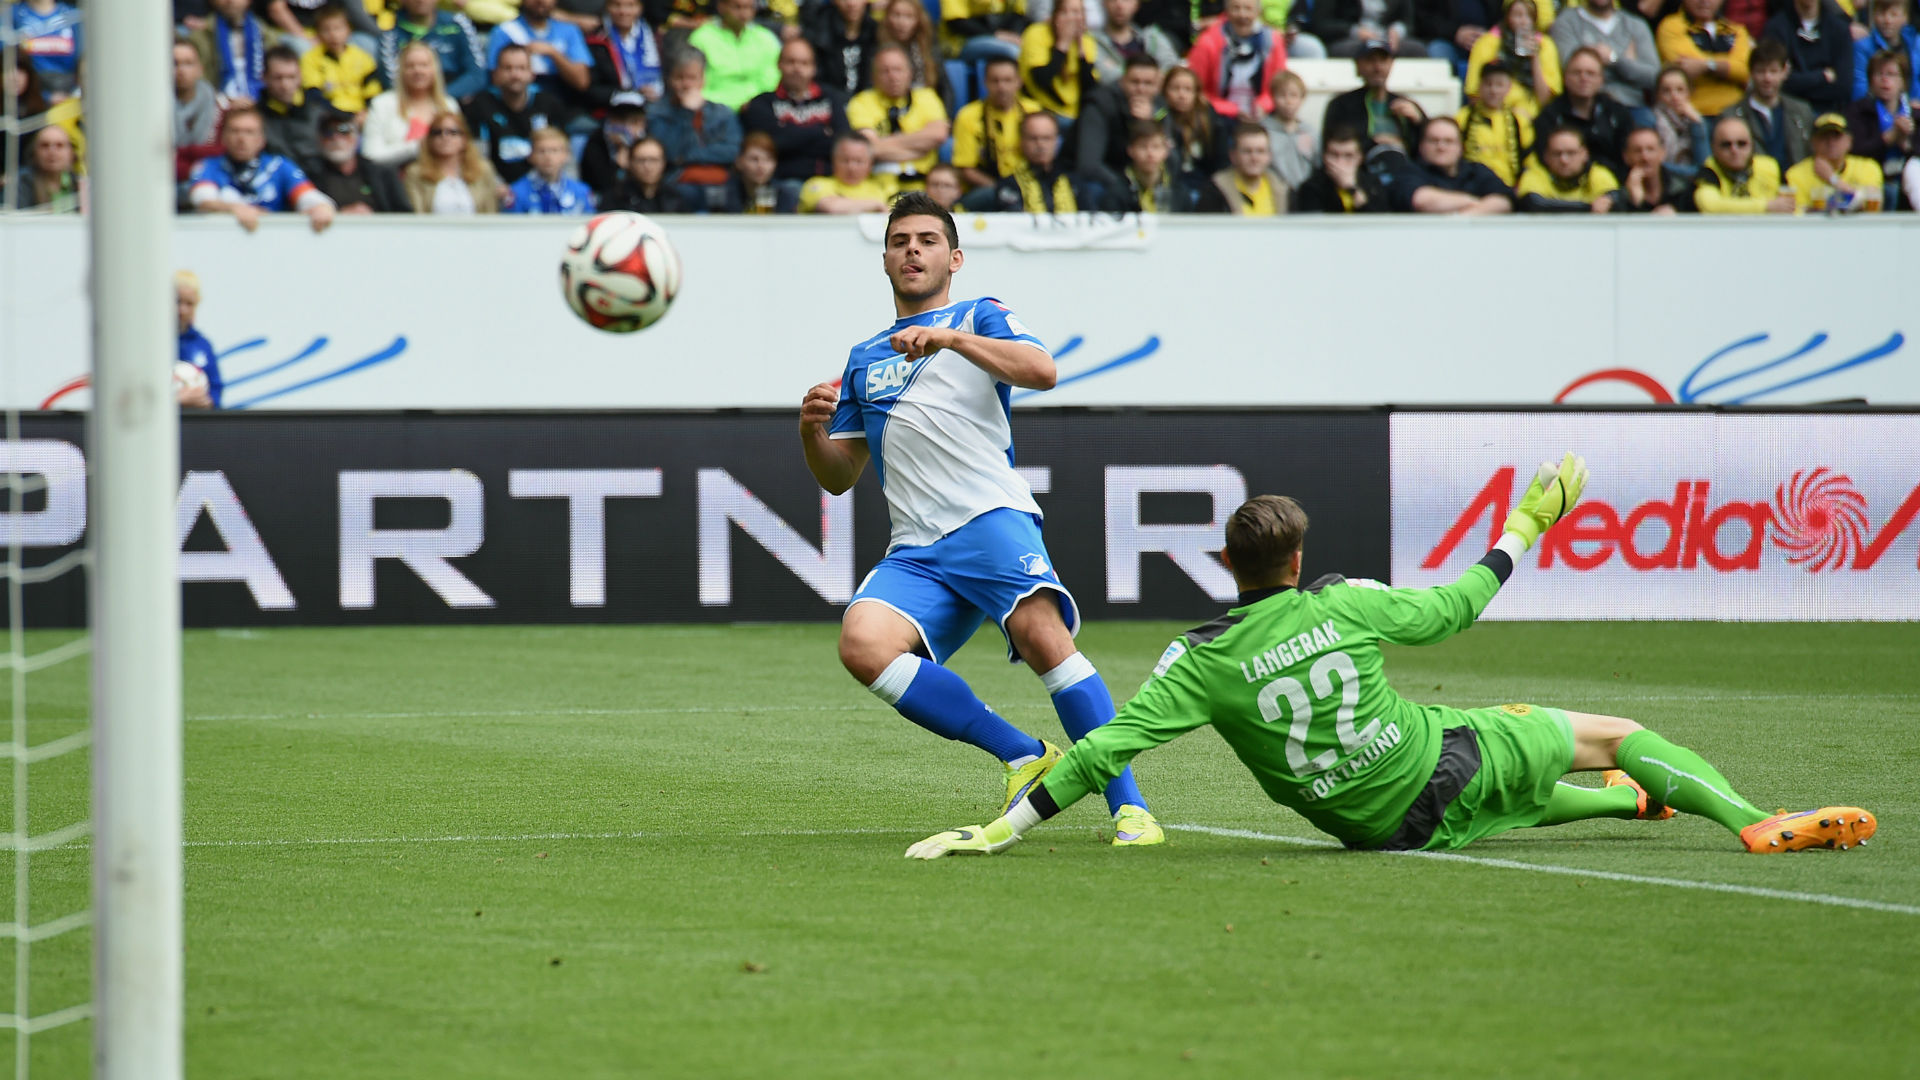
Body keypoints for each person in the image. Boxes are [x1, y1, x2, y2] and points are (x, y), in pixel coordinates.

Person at [905, 479, 1880, 860]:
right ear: (1293, 563)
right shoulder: (1342, 601)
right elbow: (1455, 607)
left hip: (1367, 828)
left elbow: (1099, 748)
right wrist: (1521, 531)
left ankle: (1633, 806)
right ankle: (1751, 818)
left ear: (1231, 571)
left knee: (1508, 776)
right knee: (1607, 735)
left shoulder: (1199, 666)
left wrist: (999, 831)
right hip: (1431, 766)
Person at [799, 192, 1165, 848]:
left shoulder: (981, 314)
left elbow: (1043, 371)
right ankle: (1026, 754)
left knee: (1045, 642)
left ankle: (1130, 810)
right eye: (901, 241)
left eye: (928, 240)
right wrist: (808, 431)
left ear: (954, 257)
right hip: (915, 549)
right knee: (863, 646)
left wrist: (951, 337)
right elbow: (839, 476)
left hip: (989, 518)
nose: (913, 249)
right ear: (884, 260)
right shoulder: (863, 357)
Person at [189, 104, 338, 231]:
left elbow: (309, 196)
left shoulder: (279, 166)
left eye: (249, 132)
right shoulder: (208, 165)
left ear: (261, 139)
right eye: (235, 131)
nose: (241, 139)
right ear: (223, 137)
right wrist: (234, 209)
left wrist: (322, 207)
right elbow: (203, 200)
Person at [740, 38, 850, 189]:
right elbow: (771, 144)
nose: (797, 68)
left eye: (804, 63)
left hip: (829, 181)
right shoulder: (762, 103)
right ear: (779, 64)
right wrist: (821, 132)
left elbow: (843, 143)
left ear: (814, 68)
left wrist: (789, 135)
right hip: (782, 182)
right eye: (791, 62)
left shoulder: (831, 99)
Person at [465, 43, 573, 185]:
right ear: (496, 74)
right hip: (497, 188)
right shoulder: (480, 105)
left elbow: (564, 153)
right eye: (507, 68)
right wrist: (496, 186)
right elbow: (478, 158)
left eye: (521, 68)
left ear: (532, 74)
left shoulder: (549, 104)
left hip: (543, 186)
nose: (515, 75)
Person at [847, 45, 950, 190]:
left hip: (924, 187)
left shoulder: (927, 97)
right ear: (873, 76)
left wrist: (884, 144)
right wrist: (921, 148)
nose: (892, 76)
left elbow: (938, 135)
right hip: (876, 187)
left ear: (910, 73)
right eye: (885, 71)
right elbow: (868, 149)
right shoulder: (861, 102)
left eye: (898, 70)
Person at [651, 50, 744, 208]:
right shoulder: (657, 113)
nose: (686, 84)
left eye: (692, 78)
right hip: (678, 182)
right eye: (680, 78)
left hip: (721, 181)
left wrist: (691, 154)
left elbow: (732, 151)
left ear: (702, 81)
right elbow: (671, 154)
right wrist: (687, 115)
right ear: (670, 80)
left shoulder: (723, 113)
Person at [1532, 46, 1634, 175]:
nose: (1584, 78)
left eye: (1590, 73)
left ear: (1601, 80)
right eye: (1576, 72)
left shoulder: (1618, 113)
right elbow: (1544, 159)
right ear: (1565, 78)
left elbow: (1628, 156)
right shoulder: (1549, 116)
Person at [1381, 114, 1514, 210]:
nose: (1441, 147)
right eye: (1434, 140)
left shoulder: (1477, 171)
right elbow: (1422, 201)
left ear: (1461, 147)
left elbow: (1504, 201)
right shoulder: (1408, 172)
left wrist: (1464, 220)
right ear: (1421, 146)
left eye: (1448, 141)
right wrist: (1474, 202)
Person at [952, 56, 1039, 196]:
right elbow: (966, 169)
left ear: (1019, 82)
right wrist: (1001, 189)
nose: (1001, 87)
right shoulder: (968, 116)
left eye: (1007, 80)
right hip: (989, 188)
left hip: (1031, 185)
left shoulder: (1034, 112)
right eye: (995, 81)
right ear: (985, 82)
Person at [364, 40, 461, 167]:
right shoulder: (382, 104)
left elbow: (460, 150)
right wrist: (417, 146)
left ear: (434, 69)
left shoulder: (449, 105)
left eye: (424, 65)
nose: (418, 71)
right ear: (401, 71)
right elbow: (370, 155)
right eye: (410, 66)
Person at [1548, 0, 1660, 109]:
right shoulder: (1566, 22)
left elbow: (1654, 78)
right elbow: (1571, 70)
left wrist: (1615, 59)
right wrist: (1630, 64)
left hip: (1631, 106)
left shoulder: (1636, 25)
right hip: (1585, 107)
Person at [1191, 0, 1291, 121]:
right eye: (1236, 8)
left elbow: (1280, 85)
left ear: (1258, 12)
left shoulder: (1273, 41)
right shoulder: (1207, 42)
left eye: (1248, 8)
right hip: (1218, 115)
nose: (1242, 14)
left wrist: (1264, 105)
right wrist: (1229, 109)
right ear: (1226, 11)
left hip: (1262, 114)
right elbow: (1196, 89)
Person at [1722, 39, 1815, 169]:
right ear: (1751, 73)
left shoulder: (1802, 110)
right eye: (1760, 71)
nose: (1767, 78)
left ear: (1784, 72)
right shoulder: (1732, 114)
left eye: (1773, 71)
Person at [1322, 38, 1427, 152]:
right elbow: (1332, 146)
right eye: (1370, 60)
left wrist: (1419, 122)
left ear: (1391, 64)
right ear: (1358, 66)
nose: (1378, 67)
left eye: (1383, 60)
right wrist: (1377, 143)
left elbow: (1428, 145)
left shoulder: (1407, 104)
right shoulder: (1341, 105)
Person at [377, 0, 488, 103]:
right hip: (410, 103)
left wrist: (441, 98)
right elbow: (392, 81)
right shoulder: (391, 32)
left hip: (455, 97)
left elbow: (477, 75)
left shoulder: (457, 23)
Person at [1076, 53, 1162, 184]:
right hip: (1100, 181)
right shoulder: (1099, 105)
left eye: (1148, 83)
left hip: (1135, 182)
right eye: (1135, 82)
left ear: (1157, 86)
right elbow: (1088, 165)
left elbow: (1172, 159)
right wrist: (1125, 188)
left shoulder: (1160, 107)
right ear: (1122, 80)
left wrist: (1149, 124)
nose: (1141, 89)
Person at [1656, 0, 1753, 117]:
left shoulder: (1736, 30)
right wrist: (1728, 66)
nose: (1704, 1)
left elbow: (1745, 70)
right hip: (1693, 113)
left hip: (1735, 112)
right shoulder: (1671, 26)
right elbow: (1685, 67)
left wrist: (1707, 65)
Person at [1466, 0, 1560, 118]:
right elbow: (1473, 94)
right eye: (1518, 15)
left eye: (1528, 16)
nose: (1523, 21)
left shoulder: (1546, 45)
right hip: (1494, 115)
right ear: (1508, 16)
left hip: (1533, 117)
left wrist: (1534, 58)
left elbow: (1545, 100)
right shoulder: (1486, 43)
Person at [487, 0, 593, 101]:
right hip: (519, 102)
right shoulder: (505, 31)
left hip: (563, 102)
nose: (540, 1)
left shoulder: (569, 30)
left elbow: (582, 82)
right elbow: (496, 80)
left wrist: (553, 53)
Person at [309, 109, 414, 211]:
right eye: (328, 132)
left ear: (356, 136)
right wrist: (341, 215)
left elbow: (405, 215)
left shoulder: (382, 174)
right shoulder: (311, 176)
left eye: (344, 130)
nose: (336, 138)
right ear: (319, 139)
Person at [1763, 0, 1854, 114]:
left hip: (1829, 112)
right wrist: (1821, 76)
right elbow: (1779, 82)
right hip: (1788, 113)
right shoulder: (1776, 28)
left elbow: (1844, 87)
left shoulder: (1840, 29)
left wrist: (1799, 82)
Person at [689, 0, 783, 109]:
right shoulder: (701, 38)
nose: (744, 13)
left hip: (758, 107)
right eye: (737, 7)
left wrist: (756, 103)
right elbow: (694, 82)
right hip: (715, 108)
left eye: (748, 7)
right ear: (721, 7)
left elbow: (773, 79)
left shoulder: (766, 38)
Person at [403, 109, 503, 212]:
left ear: (464, 139)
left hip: (475, 228)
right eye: (438, 132)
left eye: (453, 132)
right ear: (429, 140)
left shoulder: (483, 170)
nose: (445, 137)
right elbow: (417, 217)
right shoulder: (416, 173)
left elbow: (491, 213)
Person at [1784, 110, 1887, 208]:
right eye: (1824, 137)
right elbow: (1799, 214)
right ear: (1813, 143)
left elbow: (1873, 204)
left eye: (1836, 136)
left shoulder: (1868, 168)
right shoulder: (1795, 174)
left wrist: (1833, 179)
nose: (1831, 142)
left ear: (1849, 141)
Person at [188, 0, 286, 103]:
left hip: (261, 104)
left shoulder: (266, 35)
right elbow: (199, 80)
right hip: (216, 104)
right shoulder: (200, 36)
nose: (231, 1)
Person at [1694, 112, 1793, 211]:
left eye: (1741, 144)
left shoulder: (1771, 166)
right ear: (1713, 148)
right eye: (1726, 145)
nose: (1734, 150)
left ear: (1752, 145)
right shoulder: (1708, 171)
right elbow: (1711, 206)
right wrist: (1766, 206)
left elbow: (1792, 205)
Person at [989, 110, 1086, 209]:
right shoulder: (1009, 184)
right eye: (1033, 138)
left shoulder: (1074, 180)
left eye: (1046, 138)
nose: (1040, 145)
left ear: (1057, 141)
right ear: (1021, 142)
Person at [1845, 48, 1916, 184]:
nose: (1885, 80)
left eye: (1891, 74)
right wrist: (1888, 138)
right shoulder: (1858, 111)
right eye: (1879, 74)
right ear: (1871, 81)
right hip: (1869, 178)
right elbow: (1855, 151)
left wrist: (1906, 144)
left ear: (1903, 82)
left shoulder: (1915, 114)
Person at [1020, 0, 1100, 120]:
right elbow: (1041, 80)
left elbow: (1090, 89)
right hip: (1040, 109)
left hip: (1075, 115)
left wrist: (1081, 52)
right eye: (1064, 12)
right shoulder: (1036, 33)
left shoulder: (1087, 42)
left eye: (1076, 12)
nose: (1071, 19)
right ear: (1055, 15)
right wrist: (1063, 44)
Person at [1457, 60, 1532, 184]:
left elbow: (1529, 159)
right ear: (1479, 86)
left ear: (1509, 88)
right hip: (1472, 185)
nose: (1493, 90)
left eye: (1499, 85)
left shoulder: (1519, 120)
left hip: (1508, 185)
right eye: (1488, 84)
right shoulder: (1463, 117)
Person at [1101, 119, 1202, 208]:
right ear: (1130, 150)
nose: (1150, 154)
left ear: (1165, 151)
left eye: (1156, 147)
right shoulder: (1116, 193)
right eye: (1143, 147)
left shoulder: (1180, 193)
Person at [301, 5, 382, 114]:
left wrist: (365, 113)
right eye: (326, 30)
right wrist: (341, 116)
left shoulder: (362, 57)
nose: (333, 35)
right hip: (328, 115)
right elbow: (313, 94)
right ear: (318, 33)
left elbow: (372, 91)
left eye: (338, 28)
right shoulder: (311, 58)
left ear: (348, 30)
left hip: (359, 113)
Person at [1514, 124, 1618, 208]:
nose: (1564, 160)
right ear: (1546, 156)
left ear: (1585, 154)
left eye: (1571, 153)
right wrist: (1588, 207)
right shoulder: (1535, 174)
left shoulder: (1597, 174)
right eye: (1557, 153)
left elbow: (1614, 197)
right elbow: (1534, 203)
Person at [261, 44, 329, 170]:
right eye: (278, 77)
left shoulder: (319, 111)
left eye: (291, 77)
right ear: (264, 78)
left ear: (300, 77)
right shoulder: (256, 115)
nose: (285, 85)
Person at [586, 0, 665, 107]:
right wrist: (624, 94)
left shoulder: (654, 35)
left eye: (631, 5)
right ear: (607, 7)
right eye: (617, 5)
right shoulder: (595, 40)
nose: (623, 11)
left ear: (640, 8)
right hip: (612, 107)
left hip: (654, 102)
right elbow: (591, 87)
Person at [1198, 121, 1292, 210]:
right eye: (1247, 151)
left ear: (1269, 156)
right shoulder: (1214, 192)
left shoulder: (1284, 191)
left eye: (1260, 151)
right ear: (1233, 156)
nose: (1254, 158)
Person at [1292, 124, 1389, 209]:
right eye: (1334, 155)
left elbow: (1380, 222)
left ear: (1359, 158)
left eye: (1348, 156)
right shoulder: (1310, 188)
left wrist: (1352, 189)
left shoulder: (1373, 184)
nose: (1340, 162)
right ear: (1324, 156)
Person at [174, 39, 229, 187]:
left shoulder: (221, 105)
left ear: (200, 68)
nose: (181, 70)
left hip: (210, 181)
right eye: (175, 63)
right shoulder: (152, 108)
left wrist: (182, 153)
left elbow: (221, 151)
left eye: (188, 63)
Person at [798, 131, 897, 210]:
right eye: (845, 160)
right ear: (833, 160)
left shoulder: (880, 190)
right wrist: (876, 205)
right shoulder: (816, 184)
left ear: (870, 164)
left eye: (859, 161)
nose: (851, 167)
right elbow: (830, 207)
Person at [1163, 63, 1232, 175]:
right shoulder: (1160, 117)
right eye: (1175, 88)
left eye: (1188, 89)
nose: (1181, 95)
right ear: (1165, 91)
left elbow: (1221, 160)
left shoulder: (1210, 119)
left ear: (1196, 93)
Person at [1608, 123, 1698, 210]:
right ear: (1626, 157)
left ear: (1662, 153)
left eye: (1650, 149)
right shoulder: (1616, 196)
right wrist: (1634, 202)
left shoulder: (1682, 189)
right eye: (1637, 151)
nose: (1645, 157)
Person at [506, 126, 597, 211]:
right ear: (531, 156)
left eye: (554, 151)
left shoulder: (582, 192)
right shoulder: (516, 193)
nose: (548, 157)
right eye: (541, 151)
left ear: (566, 155)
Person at [877, 0, 951, 103]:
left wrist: (944, 117)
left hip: (926, 107)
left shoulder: (930, 46)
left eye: (908, 16)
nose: (901, 22)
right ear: (887, 18)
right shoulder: (877, 46)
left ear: (918, 20)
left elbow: (946, 88)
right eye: (896, 15)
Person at [1091, 0, 1181, 81]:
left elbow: (1173, 72)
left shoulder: (1153, 38)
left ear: (1137, 4)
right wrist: (1154, 78)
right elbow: (1105, 77)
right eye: (1113, 0)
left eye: (1126, 0)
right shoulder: (1092, 41)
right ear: (1103, 3)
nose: (1119, 5)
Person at [580, 90, 649, 193]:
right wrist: (617, 162)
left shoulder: (650, 145)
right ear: (610, 119)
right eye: (621, 118)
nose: (627, 127)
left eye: (634, 121)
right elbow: (601, 185)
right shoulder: (596, 143)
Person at [12, 0, 83, 100]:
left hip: (69, 91)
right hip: (32, 96)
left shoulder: (73, 15)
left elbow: (83, 59)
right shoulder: (14, 14)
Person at [808, 0, 880, 96]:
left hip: (866, 104)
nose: (851, 3)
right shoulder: (820, 33)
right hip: (831, 102)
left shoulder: (876, 33)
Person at [1651, 64, 1710, 177]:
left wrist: (1697, 124)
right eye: (1666, 91)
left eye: (1680, 90)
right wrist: (1695, 173)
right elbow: (1659, 166)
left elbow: (1705, 163)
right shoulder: (1653, 120)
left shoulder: (1697, 121)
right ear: (1658, 95)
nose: (1674, 96)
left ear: (1689, 93)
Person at [1261, 68, 1317, 186]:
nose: (1288, 101)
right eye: (1282, 95)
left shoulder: (1309, 132)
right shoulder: (1263, 130)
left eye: (1294, 95)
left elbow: (1317, 163)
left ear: (1302, 98)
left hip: (1304, 193)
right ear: (1273, 97)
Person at [1854, 0, 1919, 102]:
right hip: (1874, 112)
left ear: (1905, 17)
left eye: (1894, 14)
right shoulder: (1862, 48)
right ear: (1874, 15)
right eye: (1881, 14)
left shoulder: (1914, 45)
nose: (1888, 20)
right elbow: (1860, 90)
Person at [1312, 0, 1428, 57]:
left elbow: (1408, 20)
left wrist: (1397, 31)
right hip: (1350, 39)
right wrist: (1355, 31)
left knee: (1417, 50)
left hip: (1388, 38)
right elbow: (1321, 24)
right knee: (1368, 52)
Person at [602, 135, 689, 210]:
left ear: (663, 163)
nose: (647, 166)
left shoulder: (675, 199)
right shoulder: (615, 198)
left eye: (654, 160)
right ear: (630, 163)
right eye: (641, 160)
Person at [175, 270, 220, 410]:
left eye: (189, 304)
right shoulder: (151, 344)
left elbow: (216, 388)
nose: (182, 310)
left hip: (196, 424)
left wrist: (207, 401)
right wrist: (175, 400)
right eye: (177, 301)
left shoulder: (203, 345)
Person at [725, 129, 801, 210]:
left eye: (768, 159)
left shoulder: (785, 196)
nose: (761, 166)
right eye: (754, 159)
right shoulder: (725, 195)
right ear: (739, 162)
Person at [944, 0, 1031, 68]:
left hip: (1005, 36)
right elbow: (956, 23)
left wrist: (1011, 36)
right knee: (1014, 51)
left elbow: (1018, 15)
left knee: (1029, 48)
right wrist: (995, 35)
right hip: (962, 42)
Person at [16, 125, 82, 212]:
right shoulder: (20, 183)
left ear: (71, 153)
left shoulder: (79, 185)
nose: (52, 152)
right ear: (33, 152)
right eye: (45, 146)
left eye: (59, 145)